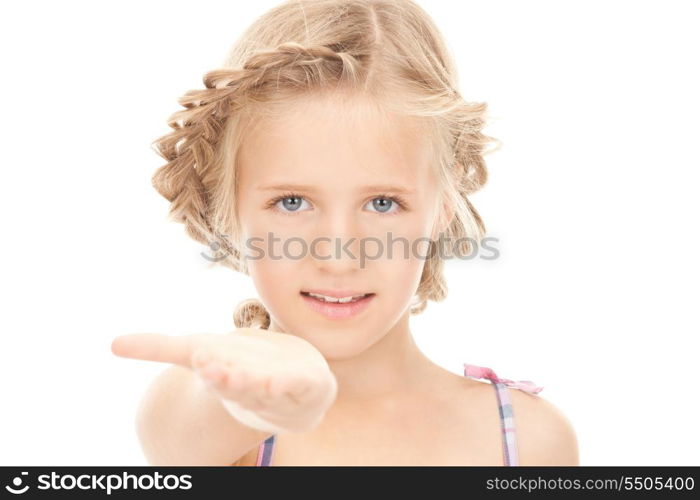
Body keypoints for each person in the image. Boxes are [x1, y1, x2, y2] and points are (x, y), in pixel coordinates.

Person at [111, 0, 579, 466]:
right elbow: (190, 421)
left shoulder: (530, 439)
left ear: (446, 201)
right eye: (292, 202)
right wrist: (243, 389)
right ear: (229, 206)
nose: (339, 257)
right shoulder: (216, 420)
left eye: (382, 203)